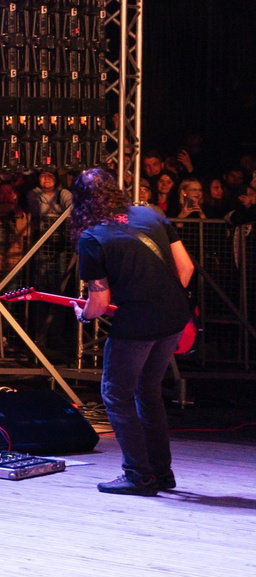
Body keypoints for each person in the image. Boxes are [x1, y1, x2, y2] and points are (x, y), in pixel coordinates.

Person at [71, 166, 194, 496]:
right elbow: (186, 268)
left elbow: (99, 302)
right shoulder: (151, 215)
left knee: (116, 394)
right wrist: (161, 297)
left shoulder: (92, 237)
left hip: (138, 323)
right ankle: (161, 472)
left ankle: (138, 475)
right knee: (149, 391)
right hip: (174, 316)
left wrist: (83, 315)